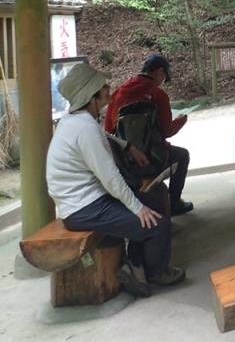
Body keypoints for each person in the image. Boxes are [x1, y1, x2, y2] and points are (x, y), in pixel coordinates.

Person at [47, 62, 185, 298]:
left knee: (151, 203)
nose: (107, 88)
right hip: (84, 208)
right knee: (156, 223)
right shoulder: (84, 128)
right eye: (102, 86)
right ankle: (156, 272)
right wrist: (138, 208)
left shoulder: (76, 121)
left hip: (86, 201)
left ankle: (135, 264)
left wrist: (128, 146)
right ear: (91, 96)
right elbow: (110, 178)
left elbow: (105, 135)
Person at [104, 54, 193, 215]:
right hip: (152, 159)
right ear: (159, 71)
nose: (163, 81)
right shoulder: (157, 94)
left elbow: (108, 130)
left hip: (124, 163)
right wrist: (181, 120)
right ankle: (174, 203)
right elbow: (167, 131)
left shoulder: (118, 94)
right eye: (164, 77)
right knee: (183, 155)